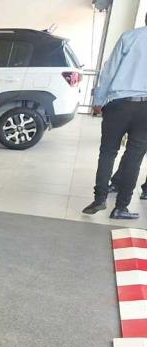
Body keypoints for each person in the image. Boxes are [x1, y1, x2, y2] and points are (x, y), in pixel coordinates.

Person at [84, 14, 147, 219]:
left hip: (118, 103)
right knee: (134, 158)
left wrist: (99, 100)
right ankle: (121, 207)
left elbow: (109, 71)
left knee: (107, 152)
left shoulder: (129, 37)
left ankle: (99, 199)